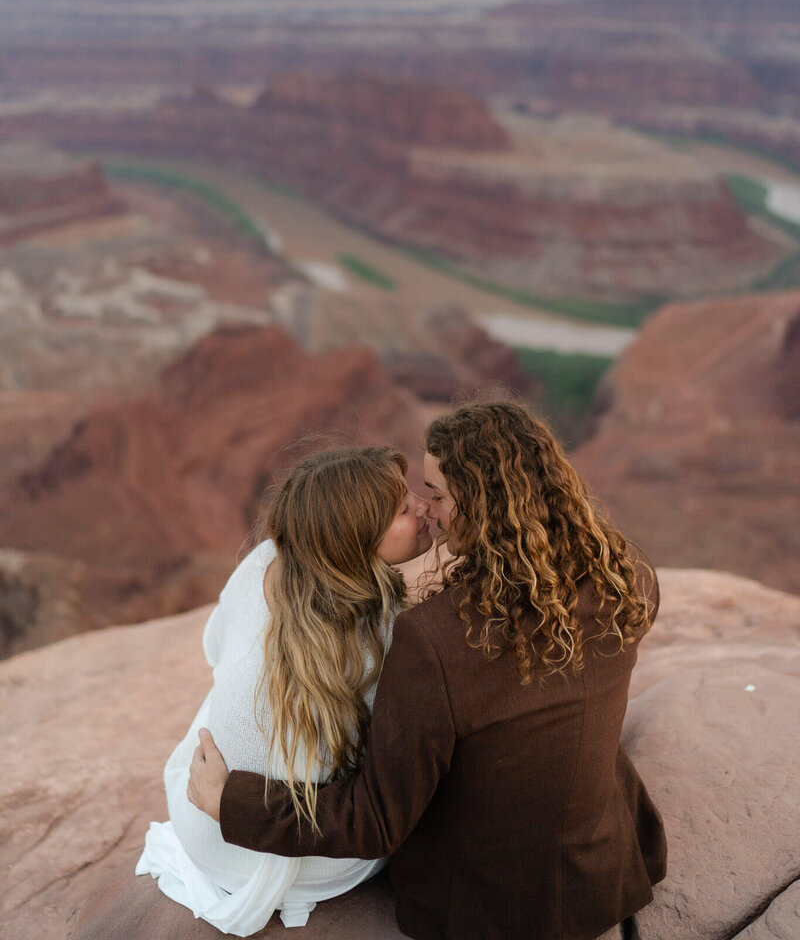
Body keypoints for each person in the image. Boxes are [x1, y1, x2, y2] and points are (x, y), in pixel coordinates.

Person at [188, 401, 667, 940]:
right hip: (604, 869)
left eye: (437, 495)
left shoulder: (433, 640)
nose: (428, 509)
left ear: (478, 506)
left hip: (489, 910)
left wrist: (230, 801)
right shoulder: (625, 573)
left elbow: (376, 819)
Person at [136, 446, 432, 935]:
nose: (423, 505)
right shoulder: (394, 626)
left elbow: (214, 647)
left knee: (233, 683)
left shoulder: (266, 559)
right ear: (360, 542)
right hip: (319, 864)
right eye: (403, 509)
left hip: (206, 837)